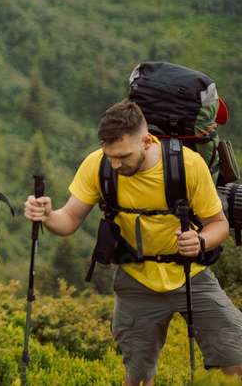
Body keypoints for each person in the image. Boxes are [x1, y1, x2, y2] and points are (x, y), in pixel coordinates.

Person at [24, 99, 242, 386]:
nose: (115, 163)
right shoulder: (98, 165)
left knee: (236, 355)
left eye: (123, 156)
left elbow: (219, 225)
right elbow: (69, 219)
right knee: (137, 377)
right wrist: (48, 215)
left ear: (147, 141)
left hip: (192, 275)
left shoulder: (188, 166)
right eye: (110, 154)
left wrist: (199, 242)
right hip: (136, 280)